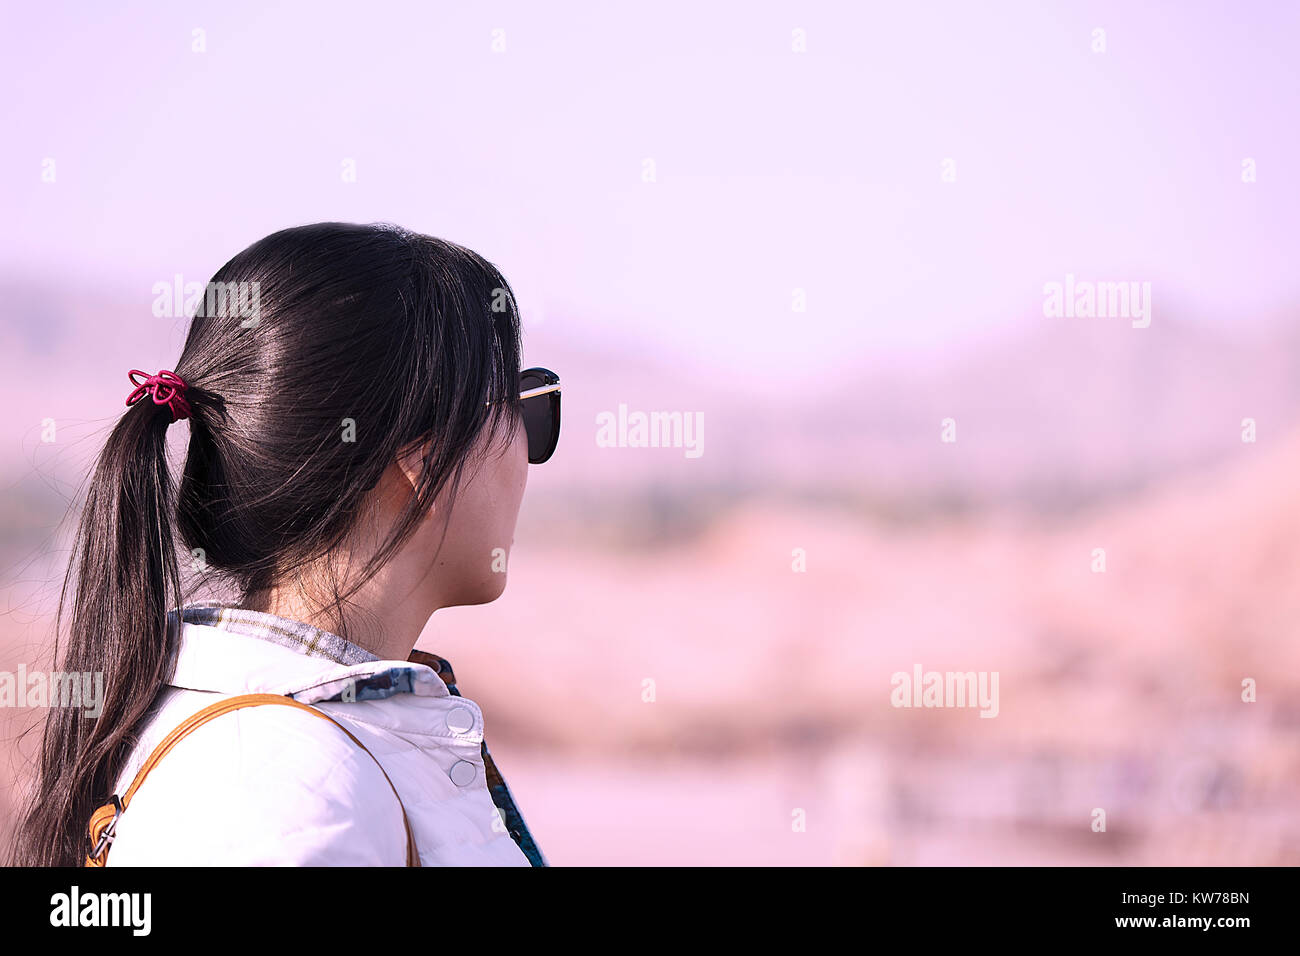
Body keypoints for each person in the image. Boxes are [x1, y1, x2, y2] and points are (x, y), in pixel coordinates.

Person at [8, 222, 560, 866]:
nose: (532, 452)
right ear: (423, 461)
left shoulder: (302, 756)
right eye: (524, 410)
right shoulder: (291, 788)